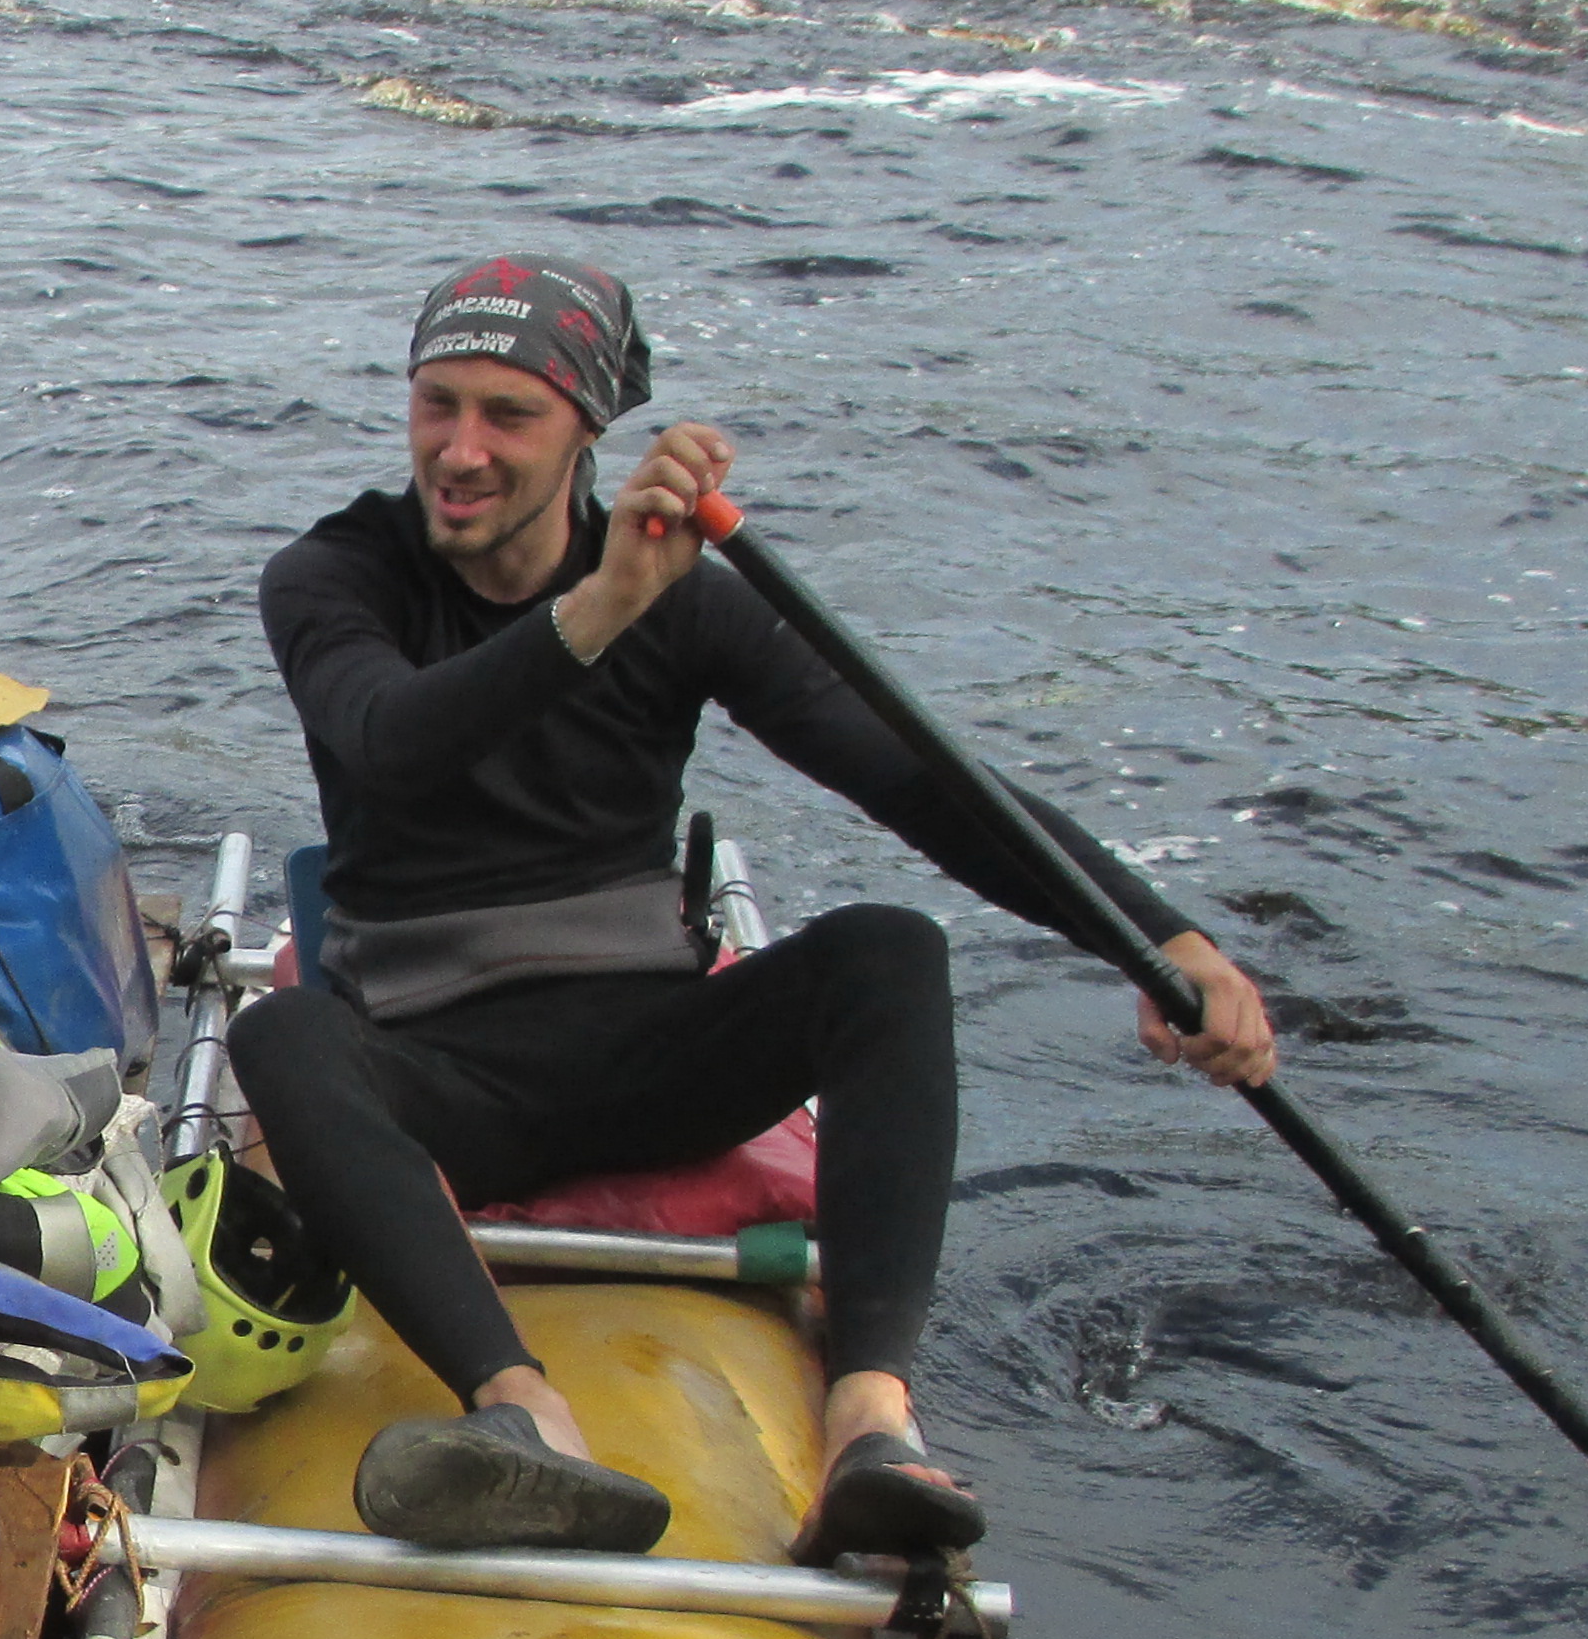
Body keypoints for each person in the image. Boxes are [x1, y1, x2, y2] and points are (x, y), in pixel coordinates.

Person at [228, 255, 1277, 1562]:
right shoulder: (334, 577)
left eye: (511, 415)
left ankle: (871, 1429)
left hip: (653, 1051)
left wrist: (1155, 935)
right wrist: (596, 609)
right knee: (281, 1042)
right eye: (438, 405)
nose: (462, 448)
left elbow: (920, 781)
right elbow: (388, 743)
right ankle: (523, 1419)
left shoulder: (689, 605)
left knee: (889, 952)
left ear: (587, 434)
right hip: (436, 1071)